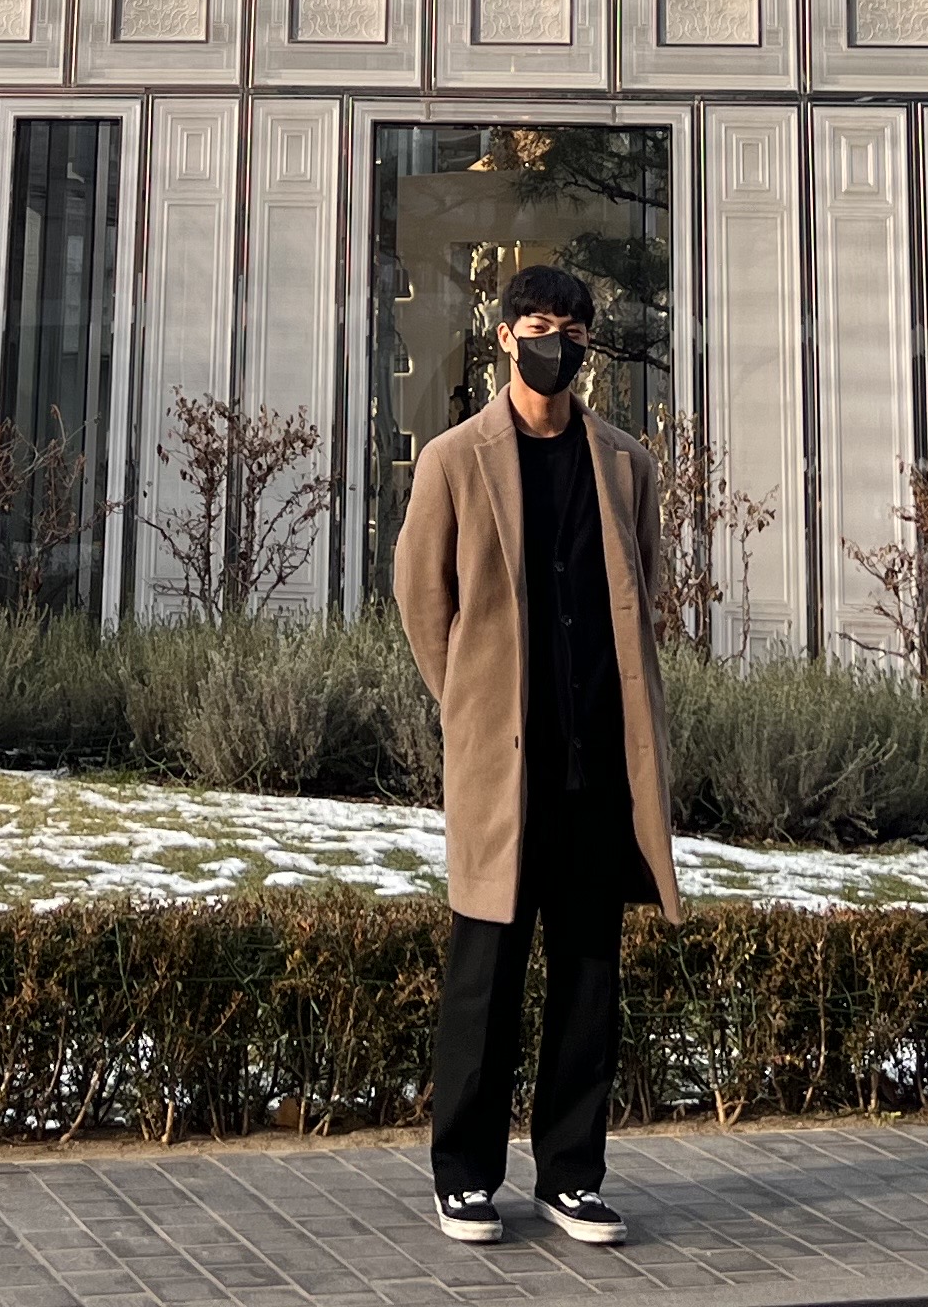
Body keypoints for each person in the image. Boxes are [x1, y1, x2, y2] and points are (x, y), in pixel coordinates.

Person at [392, 260, 680, 1248]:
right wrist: (467, 703)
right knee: (486, 974)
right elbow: (422, 600)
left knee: (590, 979)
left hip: (599, 765)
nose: (555, 345)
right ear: (506, 337)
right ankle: (465, 1176)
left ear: (587, 345)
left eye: (572, 330)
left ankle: (572, 1175)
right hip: (503, 766)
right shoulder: (453, 460)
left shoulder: (627, 465)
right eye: (540, 327)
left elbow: (644, 592)